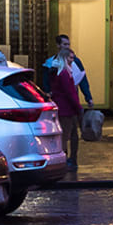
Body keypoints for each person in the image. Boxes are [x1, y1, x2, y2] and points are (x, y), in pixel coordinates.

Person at [45, 36, 92, 177]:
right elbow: (70, 91)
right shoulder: (63, 72)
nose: (73, 59)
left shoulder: (55, 66)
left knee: (69, 135)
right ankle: (65, 161)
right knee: (67, 135)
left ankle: (69, 160)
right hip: (67, 108)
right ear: (58, 45)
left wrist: (87, 96)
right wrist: (79, 107)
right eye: (65, 44)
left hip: (64, 106)